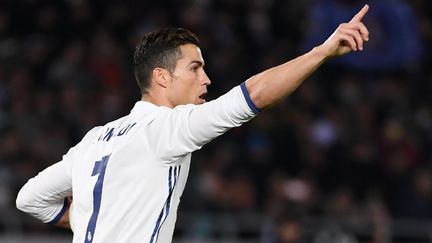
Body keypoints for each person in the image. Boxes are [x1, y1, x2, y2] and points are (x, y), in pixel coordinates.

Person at [16, 4, 370, 243]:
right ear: (162, 77)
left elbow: (30, 198)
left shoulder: (94, 140)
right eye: (195, 68)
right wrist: (319, 53)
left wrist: (85, 221)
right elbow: (251, 97)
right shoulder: (167, 130)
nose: (206, 79)